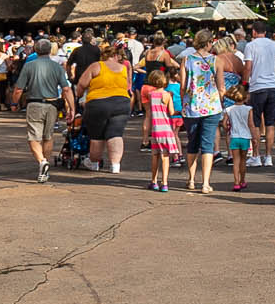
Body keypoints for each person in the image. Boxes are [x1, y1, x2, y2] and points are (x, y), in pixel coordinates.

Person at [11, 37, 74, 183]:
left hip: (34, 104)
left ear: (35, 50)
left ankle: (41, 161)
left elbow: (19, 89)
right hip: (52, 104)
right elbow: (66, 88)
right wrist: (71, 108)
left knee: (33, 136)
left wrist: (14, 103)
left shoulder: (29, 66)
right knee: (48, 136)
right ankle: (45, 166)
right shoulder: (57, 67)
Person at [178, 31, 227, 194]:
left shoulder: (187, 59)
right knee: (207, 144)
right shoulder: (216, 61)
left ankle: (191, 179)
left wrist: (186, 101)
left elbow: (183, 86)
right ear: (208, 43)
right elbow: (221, 86)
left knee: (192, 143)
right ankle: (205, 183)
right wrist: (219, 98)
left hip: (191, 107)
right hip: (211, 107)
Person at [76, 39, 134, 174]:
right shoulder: (123, 68)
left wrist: (79, 96)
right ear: (115, 56)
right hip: (121, 102)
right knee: (116, 134)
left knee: (97, 136)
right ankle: (115, 165)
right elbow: (126, 86)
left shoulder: (96, 66)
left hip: (98, 103)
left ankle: (94, 163)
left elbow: (82, 84)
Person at [241, 25, 275, 167]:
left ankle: (256, 155)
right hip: (272, 86)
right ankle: (268, 156)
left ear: (254, 32)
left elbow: (248, 66)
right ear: (265, 32)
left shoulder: (250, 46)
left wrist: (245, 84)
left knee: (255, 122)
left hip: (257, 87)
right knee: (270, 123)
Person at [139, 51, 180, 191]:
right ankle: (165, 182)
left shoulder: (151, 95)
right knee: (165, 157)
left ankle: (154, 181)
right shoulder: (167, 95)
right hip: (166, 129)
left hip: (155, 130)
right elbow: (172, 112)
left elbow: (150, 111)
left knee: (155, 156)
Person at [222, 82, 254, 190]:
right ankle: (243, 180)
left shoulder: (229, 109)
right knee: (243, 160)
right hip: (245, 137)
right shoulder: (249, 109)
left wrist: (227, 129)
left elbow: (224, 123)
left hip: (234, 137)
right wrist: (254, 137)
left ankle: (236, 182)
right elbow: (251, 124)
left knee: (236, 161)